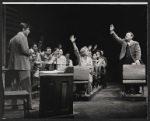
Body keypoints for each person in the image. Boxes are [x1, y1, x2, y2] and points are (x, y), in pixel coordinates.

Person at [8, 22, 34, 110]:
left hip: (13, 66)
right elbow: (25, 51)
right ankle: (28, 105)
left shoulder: (12, 39)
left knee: (14, 86)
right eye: (28, 29)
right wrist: (31, 51)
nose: (29, 31)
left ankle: (14, 105)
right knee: (26, 86)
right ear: (23, 29)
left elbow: (9, 51)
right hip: (23, 66)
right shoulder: (23, 37)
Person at [110, 24, 142, 94]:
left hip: (133, 61)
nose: (126, 36)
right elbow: (117, 38)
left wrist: (137, 59)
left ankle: (137, 90)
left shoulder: (136, 43)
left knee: (135, 75)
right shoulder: (123, 42)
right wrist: (112, 31)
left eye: (127, 35)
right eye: (125, 35)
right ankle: (127, 90)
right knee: (125, 76)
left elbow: (138, 51)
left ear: (131, 36)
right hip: (124, 61)